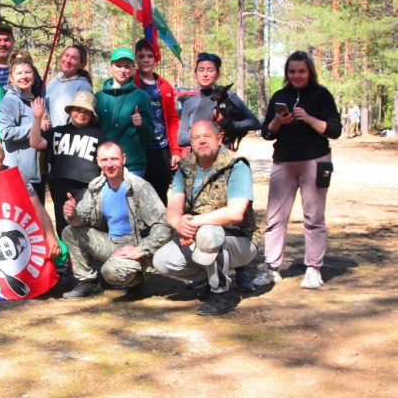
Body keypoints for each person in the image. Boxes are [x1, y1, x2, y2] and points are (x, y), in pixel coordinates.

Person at [253, 51, 342, 290]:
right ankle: (271, 268)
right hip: (284, 160)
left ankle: (313, 269)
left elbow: (334, 130)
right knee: (274, 218)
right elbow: (267, 133)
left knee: (313, 217)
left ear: (310, 71)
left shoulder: (321, 95)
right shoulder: (280, 95)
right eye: (292, 71)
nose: (296, 76)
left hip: (315, 159)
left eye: (301, 71)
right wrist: (278, 121)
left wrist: (309, 118)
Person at [152, 120, 260, 315]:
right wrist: (179, 224)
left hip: (241, 239)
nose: (202, 141)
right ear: (191, 143)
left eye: (207, 136)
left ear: (219, 139)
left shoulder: (236, 166)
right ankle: (210, 279)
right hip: (200, 234)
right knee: (162, 260)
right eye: (196, 138)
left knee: (209, 233)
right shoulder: (185, 168)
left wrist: (193, 224)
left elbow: (235, 213)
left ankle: (222, 294)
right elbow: (173, 208)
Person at [61, 141, 170, 298]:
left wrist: (140, 250)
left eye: (114, 159)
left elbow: (163, 224)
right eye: (104, 160)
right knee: (70, 232)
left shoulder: (139, 187)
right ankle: (87, 282)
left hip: (135, 246)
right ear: (98, 162)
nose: (110, 164)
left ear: (123, 159)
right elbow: (81, 220)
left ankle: (137, 280)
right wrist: (73, 214)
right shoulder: (96, 187)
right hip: (111, 243)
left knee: (110, 272)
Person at [0, 137, 59, 261]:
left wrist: (50, 236)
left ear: (3, 155)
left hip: (16, 235)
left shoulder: (18, 175)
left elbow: (38, 207)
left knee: (57, 251)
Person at [30, 91, 107, 237]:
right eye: (78, 109)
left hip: (87, 189)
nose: (81, 114)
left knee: (86, 225)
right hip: (60, 187)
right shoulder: (57, 132)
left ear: (92, 116)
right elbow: (35, 142)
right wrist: (37, 118)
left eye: (86, 111)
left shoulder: (99, 135)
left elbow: (106, 157)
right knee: (63, 225)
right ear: (71, 110)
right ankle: (68, 259)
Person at [177, 52, 260, 150]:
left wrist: (231, 124)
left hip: (223, 158)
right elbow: (181, 139)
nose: (205, 74)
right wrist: (205, 138)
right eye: (201, 70)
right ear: (196, 74)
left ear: (217, 75)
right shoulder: (189, 103)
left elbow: (255, 123)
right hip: (198, 159)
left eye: (210, 70)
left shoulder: (229, 96)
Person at [133, 39, 181, 202]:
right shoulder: (132, 84)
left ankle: (162, 226)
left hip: (161, 148)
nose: (146, 60)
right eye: (141, 56)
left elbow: (173, 119)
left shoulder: (165, 87)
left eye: (149, 56)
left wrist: (175, 151)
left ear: (155, 58)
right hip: (139, 149)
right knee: (138, 195)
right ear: (136, 59)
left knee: (160, 193)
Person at [94, 48, 154, 177]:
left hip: (132, 165)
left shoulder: (141, 96)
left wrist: (141, 124)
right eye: (118, 65)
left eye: (127, 66)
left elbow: (149, 134)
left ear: (133, 69)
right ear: (111, 67)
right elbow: (92, 131)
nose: (122, 70)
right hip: (105, 164)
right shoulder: (99, 97)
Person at [0, 57, 43, 199]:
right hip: (19, 174)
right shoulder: (11, 100)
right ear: (11, 78)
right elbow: (6, 132)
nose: (24, 76)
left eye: (27, 72)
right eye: (19, 73)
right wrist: (36, 126)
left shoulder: (36, 99)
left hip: (37, 172)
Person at [44, 44, 94, 128]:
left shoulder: (84, 87)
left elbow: (83, 119)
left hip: (68, 137)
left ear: (81, 64)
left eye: (74, 58)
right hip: (50, 136)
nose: (68, 60)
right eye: (66, 55)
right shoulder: (52, 82)